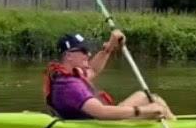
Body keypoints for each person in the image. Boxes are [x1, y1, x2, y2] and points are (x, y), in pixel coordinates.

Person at [43, 31, 173, 122]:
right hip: (99, 125)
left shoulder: (68, 74)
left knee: (147, 98)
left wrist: (110, 47)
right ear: (68, 56)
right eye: (83, 51)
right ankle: (175, 125)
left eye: (87, 50)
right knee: (151, 100)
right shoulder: (69, 86)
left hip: (96, 122)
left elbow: (93, 69)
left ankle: (171, 120)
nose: (88, 54)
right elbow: (101, 112)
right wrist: (143, 111)